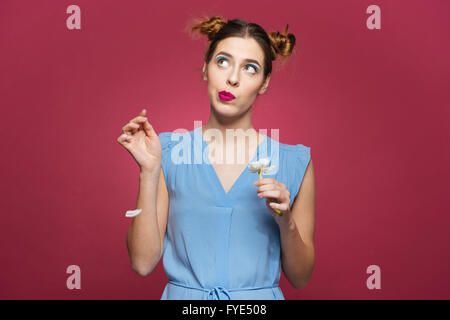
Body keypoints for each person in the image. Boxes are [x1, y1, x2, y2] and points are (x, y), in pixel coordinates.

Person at [117, 15, 315, 300]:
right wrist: (148, 172)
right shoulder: (168, 152)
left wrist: (287, 222)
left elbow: (300, 277)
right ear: (205, 69)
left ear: (264, 83)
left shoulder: (294, 163)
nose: (232, 78)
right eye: (223, 61)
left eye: (250, 68)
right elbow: (142, 263)